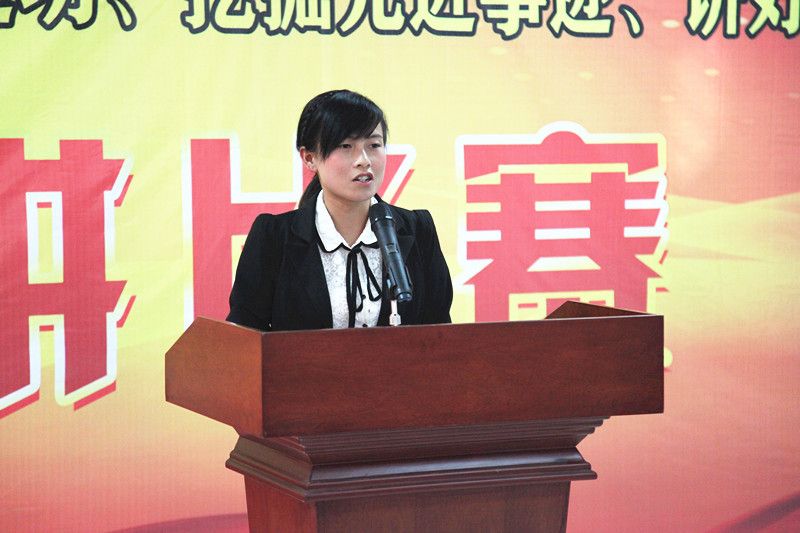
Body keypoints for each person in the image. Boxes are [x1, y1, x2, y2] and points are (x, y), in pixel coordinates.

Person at [226, 89, 453, 331]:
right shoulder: (273, 236)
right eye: (346, 146)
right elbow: (244, 335)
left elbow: (441, 333)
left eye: (374, 145)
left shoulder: (417, 230)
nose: (364, 160)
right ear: (309, 158)